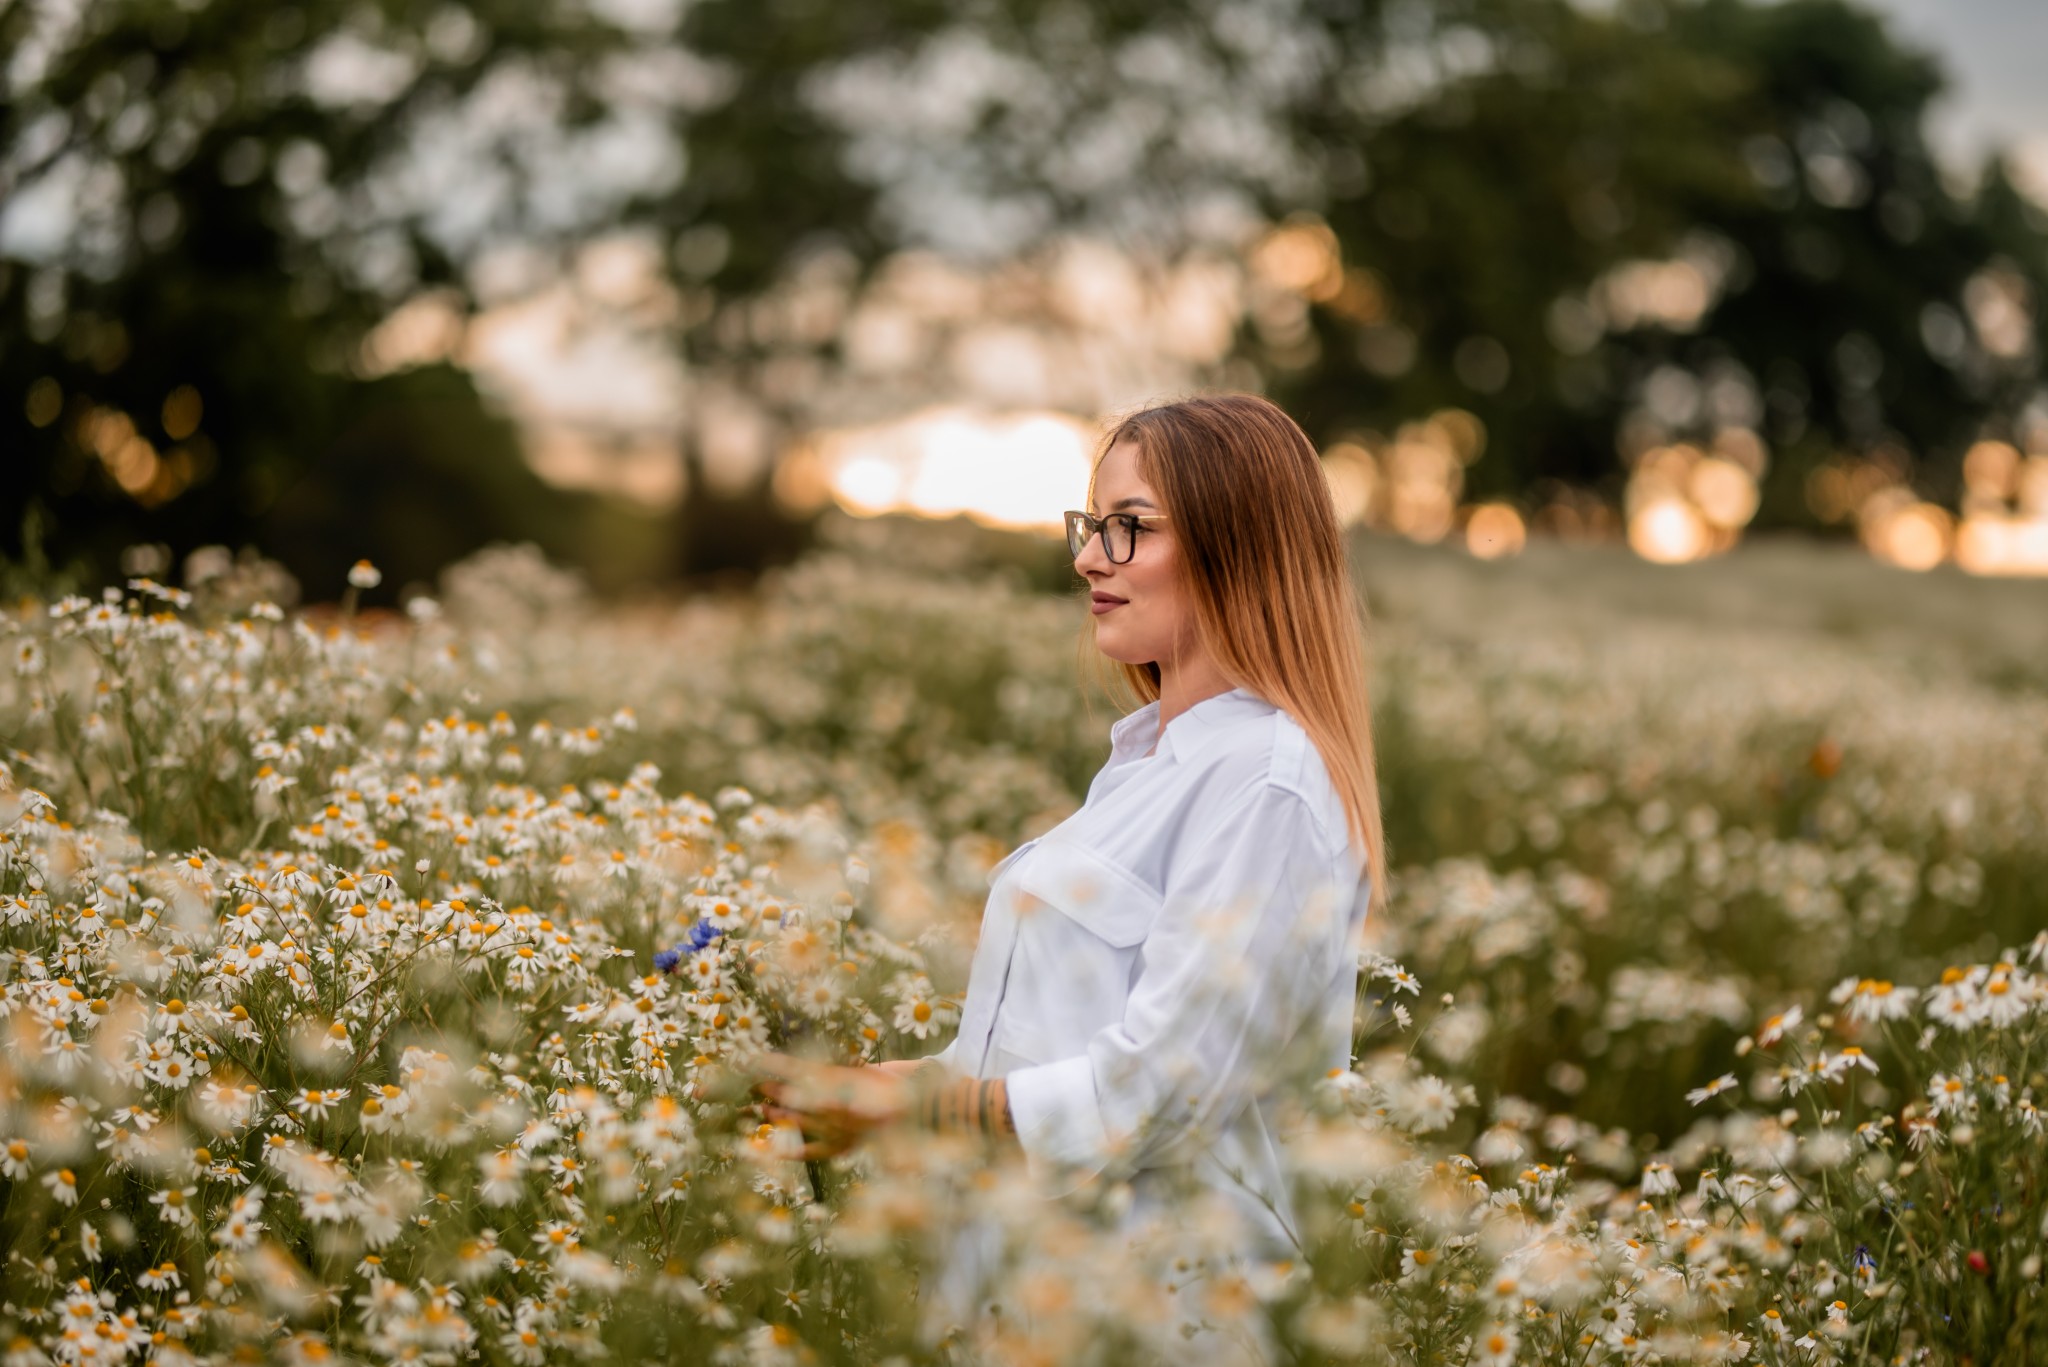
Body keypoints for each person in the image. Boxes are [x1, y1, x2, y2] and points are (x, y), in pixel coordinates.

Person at [757, 393, 1385, 1333]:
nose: (1090, 556)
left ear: (1236, 547)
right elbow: (1058, 1046)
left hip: (1159, 1317)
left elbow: (1167, 1086)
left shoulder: (1266, 780)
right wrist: (894, 1086)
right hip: (1036, 1304)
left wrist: (930, 1118)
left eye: (1129, 528)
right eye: (1093, 525)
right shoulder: (1145, 766)